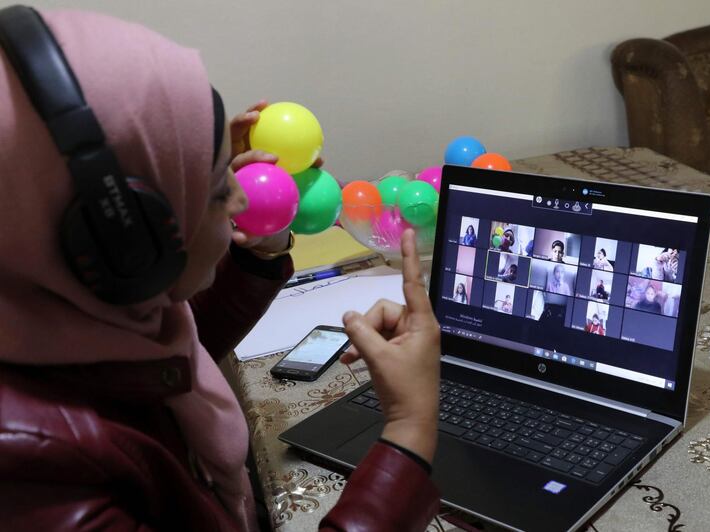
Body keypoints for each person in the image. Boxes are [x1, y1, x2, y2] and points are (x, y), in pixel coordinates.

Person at [0, 8, 440, 532]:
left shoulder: (55, 316)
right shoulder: (40, 480)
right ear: (127, 243)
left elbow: (169, 359)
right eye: (214, 192)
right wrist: (409, 432)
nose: (239, 199)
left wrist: (259, 248)